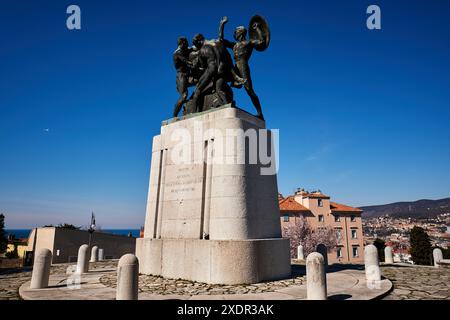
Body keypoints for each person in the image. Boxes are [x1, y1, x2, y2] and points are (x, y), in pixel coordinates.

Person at [218, 16, 265, 120]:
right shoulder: (234, 45)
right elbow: (221, 40)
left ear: (241, 32)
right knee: (221, 79)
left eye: (236, 31)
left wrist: (257, 28)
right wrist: (222, 25)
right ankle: (223, 102)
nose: (234, 33)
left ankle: (260, 113)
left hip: (243, 66)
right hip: (234, 67)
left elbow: (261, 41)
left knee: (249, 90)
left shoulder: (248, 42)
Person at [172, 37, 193, 117]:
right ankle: (174, 116)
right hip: (181, 75)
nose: (188, 43)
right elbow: (187, 62)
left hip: (188, 75)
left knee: (201, 80)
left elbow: (192, 48)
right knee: (184, 96)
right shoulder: (177, 53)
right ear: (183, 42)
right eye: (187, 42)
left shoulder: (185, 50)